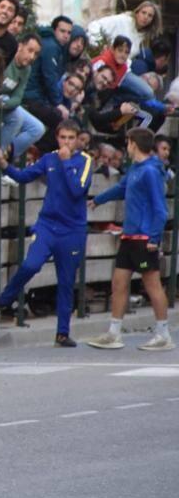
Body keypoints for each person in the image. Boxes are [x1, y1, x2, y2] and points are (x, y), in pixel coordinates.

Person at [0, 119, 92, 347]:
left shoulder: (85, 161)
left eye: (71, 138)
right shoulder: (49, 158)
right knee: (31, 264)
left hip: (72, 230)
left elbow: (77, 190)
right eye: (63, 137)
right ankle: (4, 300)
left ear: (77, 139)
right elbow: (23, 176)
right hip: (48, 225)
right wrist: (4, 165)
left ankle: (62, 332)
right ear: (57, 138)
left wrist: (67, 163)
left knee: (66, 282)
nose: (66, 142)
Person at [87, 127, 173, 351]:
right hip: (129, 236)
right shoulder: (135, 169)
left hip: (144, 237)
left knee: (152, 284)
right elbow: (121, 188)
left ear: (134, 144)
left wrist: (154, 237)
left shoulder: (151, 172)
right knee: (118, 283)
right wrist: (98, 200)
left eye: (128, 142)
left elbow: (160, 209)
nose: (126, 145)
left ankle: (163, 334)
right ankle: (114, 333)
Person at [24, 16, 78, 133]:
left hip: (37, 97)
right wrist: (58, 103)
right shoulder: (51, 46)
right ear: (54, 30)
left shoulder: (56, 47)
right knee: (61, 121)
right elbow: (50, 78)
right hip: (32, 97)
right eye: (62, 31)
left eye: (69, 33)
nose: (66, 36)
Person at [0, 34, 45, 160]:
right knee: (17, 117)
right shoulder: (7, 59)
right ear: (20, 46)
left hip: (6, 104)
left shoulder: (27, 69)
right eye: (30, 50)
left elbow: (18, 97)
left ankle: (7, 156)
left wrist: (5, 104)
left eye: (35, 54)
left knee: (37, 128)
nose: (31, 57)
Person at [86, 0, 163, 60]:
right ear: (137, 13)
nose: (146, 17)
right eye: (143, 13)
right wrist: (100, 46)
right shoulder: (122, 20)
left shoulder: (142, 36)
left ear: (152, 20)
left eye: (150, 16)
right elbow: (95, 25)